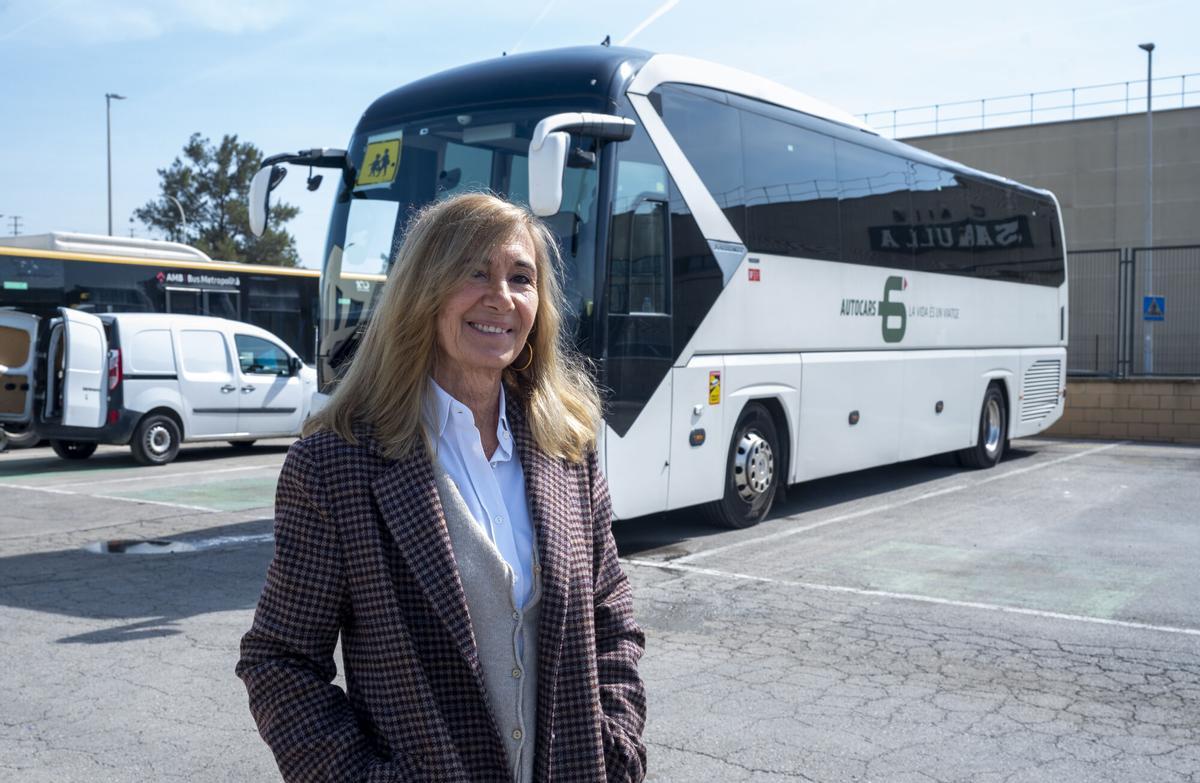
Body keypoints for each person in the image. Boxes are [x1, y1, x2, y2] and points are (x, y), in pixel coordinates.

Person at [237, 192, 647, 783]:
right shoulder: (336, 466)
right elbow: (280, 662)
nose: (500, 297)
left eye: (521, 278)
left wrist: (616, 743)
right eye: (473, 272)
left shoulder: (567, 449)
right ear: (423, 293)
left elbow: (612, 619)